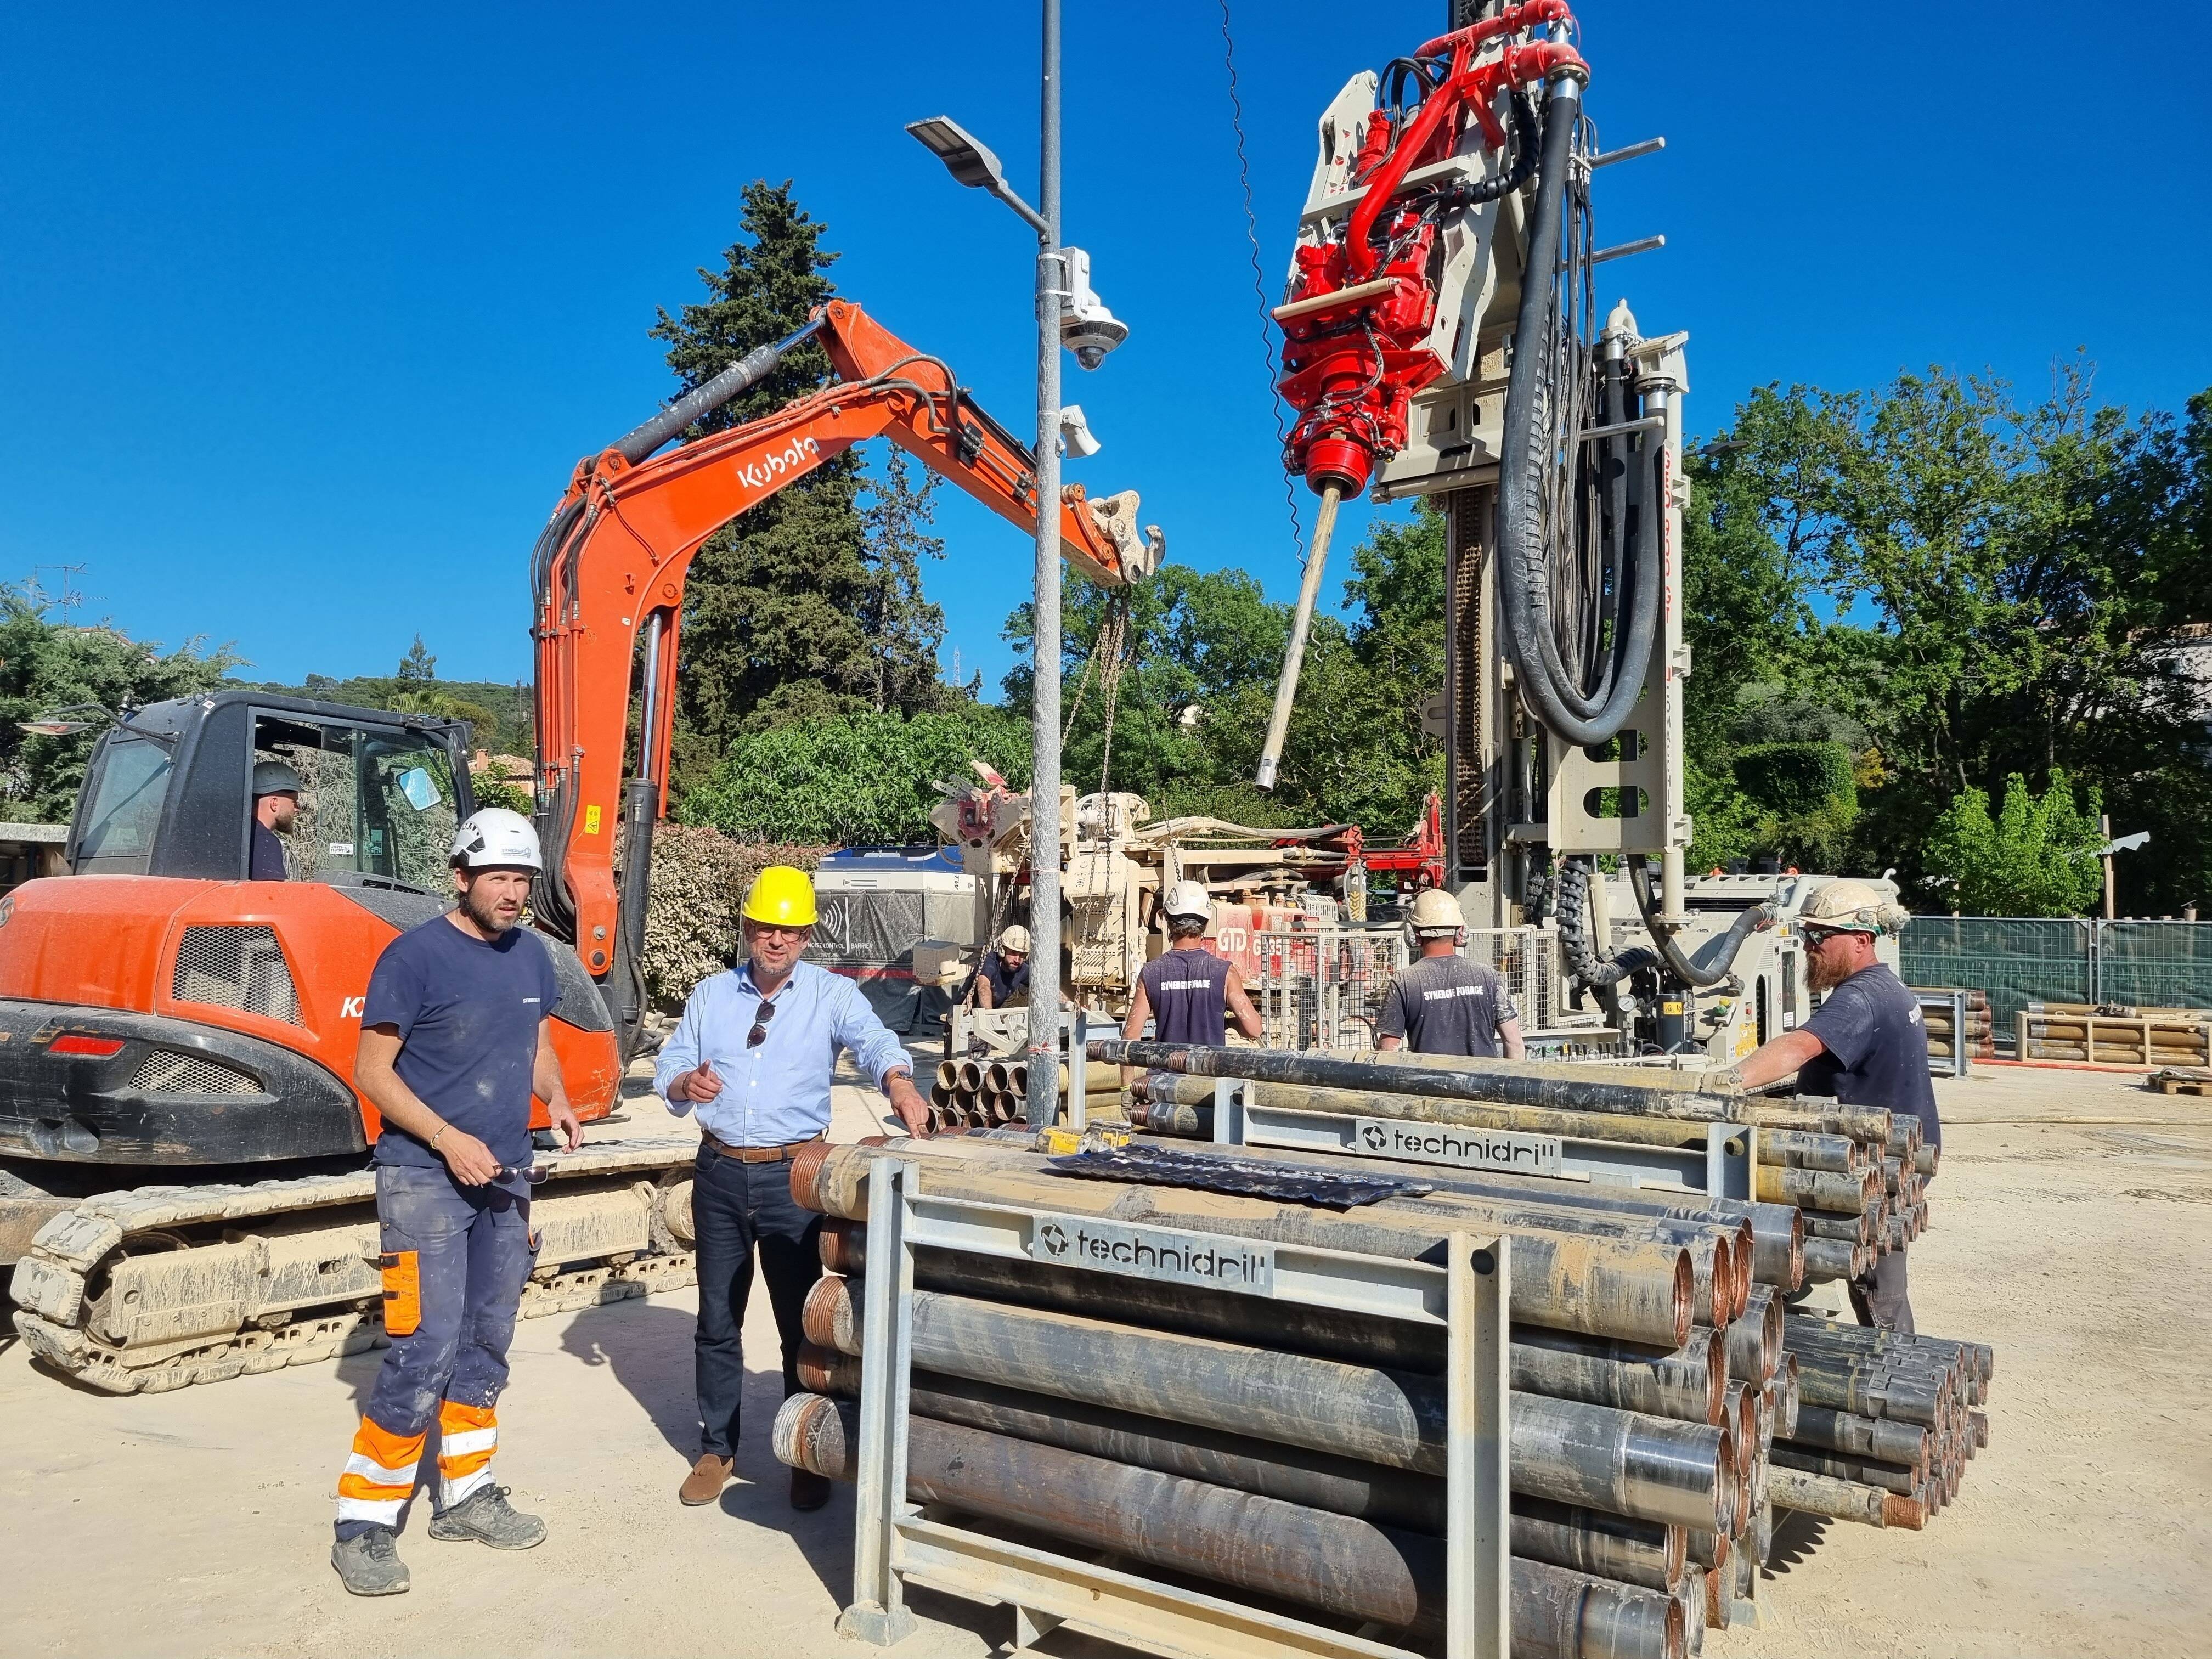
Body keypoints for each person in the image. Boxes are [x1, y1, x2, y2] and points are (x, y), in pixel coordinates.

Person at [329, 807, 582, 1597]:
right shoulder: (413, 958)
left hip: (505, 1178)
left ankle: (467, 1496)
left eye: (524, 879)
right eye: (499, 877)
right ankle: (365, 1523)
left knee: (486, 1342)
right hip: (423, 1179)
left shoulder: (532, 956)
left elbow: (536, 1042)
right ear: (461, 876)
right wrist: (446, 1138)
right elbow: (372, 1073)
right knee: (424, 1346)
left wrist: (556, 1096)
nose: (514, 893)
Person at [657, 865, 929, 1513]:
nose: (776, 941)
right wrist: (683, 1084)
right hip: (720, 1173)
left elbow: (873, 1040)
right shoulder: (711, 995)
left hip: (795, 1178)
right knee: (716, 1321)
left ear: (807, 937)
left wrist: (898, 1083)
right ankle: (717, 1449)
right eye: (765, 929)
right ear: (748, 929)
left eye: (791, 932)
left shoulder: (831, 995)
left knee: (801, 1323)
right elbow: (673, 1061)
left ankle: (803, 1446)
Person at [1731, 879, 1935, 1331]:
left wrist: (1724, 1082)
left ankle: (1899, 1371)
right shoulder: (1887, 987)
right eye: (1807, 934)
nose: (1809, 946)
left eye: (1820, 936)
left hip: (1877, 1171)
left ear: (1861, 940)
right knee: (1872, 1282)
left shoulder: (1860, 997)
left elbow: (1798, 1046)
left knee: (1880, 1297)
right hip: (1890, 1161)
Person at [1121, 882, 1262, 1081]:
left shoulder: (1151, 972)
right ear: (1205, 923)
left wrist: (1127, 1088)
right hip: (1209, 1087)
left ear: (1168, 921)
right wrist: (1228, 1022)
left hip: (1165, 1086)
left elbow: (1130, 1038)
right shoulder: (1224, 973)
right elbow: (1254, 1029)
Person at [1376, 888, 1526, 1058]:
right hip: (1484, 1075)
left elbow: (1388, 1049)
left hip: (1431, 1075)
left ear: (1413, 933)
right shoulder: (1486, 976)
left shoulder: (1405, 981)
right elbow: (1514, 1042)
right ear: (1461, 931)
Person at [250, 759, 302, 879]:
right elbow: (273, 891)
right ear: (274, 804)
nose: (297, 809)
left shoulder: (243, 835)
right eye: (294, 802)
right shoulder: (264, 841)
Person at [972, 924, 1031, 1009]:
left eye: (1022, 955)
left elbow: (1041, 983)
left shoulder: (1022, 969)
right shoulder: (990, 962)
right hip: (967, 1010)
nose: (1017, 960)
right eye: (1013, 953)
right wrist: (990, 1016)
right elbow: (983, 988)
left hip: (996, 1008)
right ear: (1003, 950)